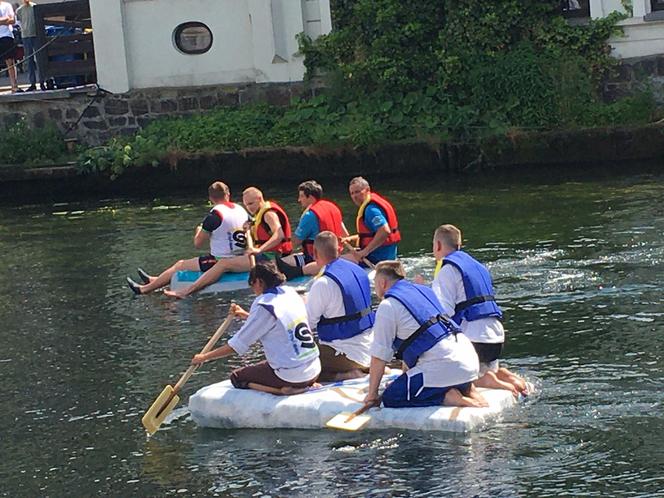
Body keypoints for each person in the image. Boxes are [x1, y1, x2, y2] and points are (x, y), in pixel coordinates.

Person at [363, 261, 487, 409]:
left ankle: (447, 396)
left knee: (391, 396)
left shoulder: (388, 305)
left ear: (382, 283)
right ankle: (466, 388)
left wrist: (372, 395)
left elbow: (379, 356)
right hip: (469, 360)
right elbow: (415, 340)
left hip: (445, 365)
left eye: (375, 283)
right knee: (407, 383)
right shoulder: (424, 292)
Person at [191, 261, 321, 395]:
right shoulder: (290, 292)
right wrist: (247, 316)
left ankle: (281, 390)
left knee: (237, 377)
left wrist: (204, 357)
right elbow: (278, 323)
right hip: (315, 368)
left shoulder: (264, 305)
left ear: (259, 281)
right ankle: (304, 383)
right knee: (268, 364)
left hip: (292, 377)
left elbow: (237, 345)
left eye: (252, 285)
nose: (253, 290)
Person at [431, 224, 527, 394]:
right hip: (496, 340)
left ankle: (483, 379)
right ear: (459, 245)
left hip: (474, 341)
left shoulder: (447, 270)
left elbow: (443, 312)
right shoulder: (478, 267)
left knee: (442, 375)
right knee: (487, 367)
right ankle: (502, 375)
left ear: (438, 245)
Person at [127, 181, 250, 296]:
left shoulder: (215, 215)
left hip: (221, 259)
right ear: (228, 194)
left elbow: (198, 244)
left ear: (211, 198)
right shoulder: (241, 209)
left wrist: (198, 231)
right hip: (242, 257)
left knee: (180, 265)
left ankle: (144, 289)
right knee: (187, 263)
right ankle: (155, 280)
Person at [306, 231, 374, 382]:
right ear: (339, 249)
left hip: (346, 354)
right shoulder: (359, 270)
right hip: (372, 348)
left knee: (296, 364)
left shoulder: (322, 283)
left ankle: (346, 374)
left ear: (314, 253)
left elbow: (307, 324)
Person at [276, 180, 349, 279]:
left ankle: (299, 272)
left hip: (314, 257)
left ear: (310, 197)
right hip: (336, 253)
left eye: (301, 196)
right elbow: (345, 235)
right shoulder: (333, 207)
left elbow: (295, 242)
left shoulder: (309, 215)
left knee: (277, 263)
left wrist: (281, 249)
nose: (299, 200)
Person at [346, 176, 400, 266]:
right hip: (388, 257)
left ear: (367, 190)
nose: (354, 196)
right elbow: (373, 234)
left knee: (337, 260)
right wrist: (352, 239)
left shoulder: (371, 210)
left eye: (357, 192)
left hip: (377, 259)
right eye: (352, 193)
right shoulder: (371, 207)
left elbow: (384, 231)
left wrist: (364, 252)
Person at [241, 187, 293, 262]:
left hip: (273, 256)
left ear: (259, 199)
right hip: (265, 254)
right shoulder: (258, 214)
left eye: (251, 203)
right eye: (246, 205)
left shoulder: (268, 214)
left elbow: (279, 235)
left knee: (225, 263)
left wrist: (259, 250)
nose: (249, 208)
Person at [16, 0, 45, 92]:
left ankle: (42, 81)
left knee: (40, 59)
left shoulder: (35, 7)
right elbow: (19, 22)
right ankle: (32, 83)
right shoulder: (19, 10)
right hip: (26, 36)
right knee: (29, 60)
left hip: (36, 35)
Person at [0, 1, 20, 93]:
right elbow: (8, 19)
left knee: (10, 62)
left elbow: (12, 20)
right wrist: (4, 20)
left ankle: (14, 86)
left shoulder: (7, 5)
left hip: (6, 35)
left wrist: (6, 20)